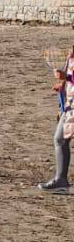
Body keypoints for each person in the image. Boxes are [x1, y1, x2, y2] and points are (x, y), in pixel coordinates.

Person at [42, 46, 74, 192]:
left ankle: (61, 180)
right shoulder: (71, 53)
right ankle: (61, 180)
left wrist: (66, 78)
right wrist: (63, 84)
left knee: (60, 139)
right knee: (60, 139)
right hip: (70, 104)